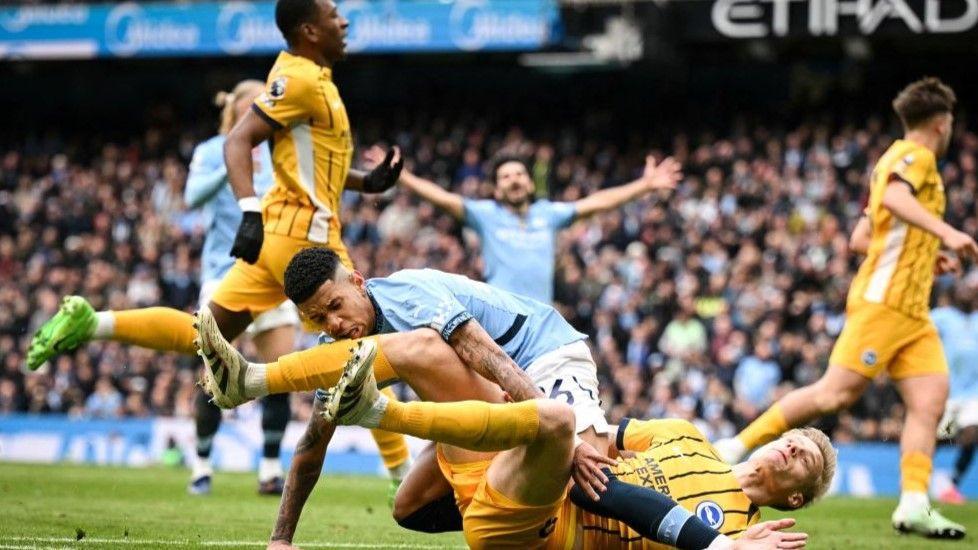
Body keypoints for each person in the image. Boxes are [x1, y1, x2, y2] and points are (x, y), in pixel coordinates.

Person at [24, 0, 411, 498]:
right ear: (310, 30)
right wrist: (247, 209)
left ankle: (92, 322)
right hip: (305, 239)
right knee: (367, 341)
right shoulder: (298, 79)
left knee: (204, 335)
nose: (345, 21)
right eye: (334, 15)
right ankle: (403, 477)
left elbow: (311, 167)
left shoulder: (315, 79)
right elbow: (238, 140)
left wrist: (365, 181)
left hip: (279, 237)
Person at [714, 77, 977, 538]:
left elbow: (861, 238)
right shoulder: (915, 157)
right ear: (942, 123)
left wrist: (924, 255)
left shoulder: (895, 161)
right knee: (834, 394)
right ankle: (734, 446)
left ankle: (914, 503)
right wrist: (947, 233)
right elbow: (894, 198)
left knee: (930, 401)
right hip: (885, 302)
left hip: (912, 312)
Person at [321, 339, 829, 549]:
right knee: (425, 350)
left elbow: (592, 481)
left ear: (794, 499)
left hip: (546, 529)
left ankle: (378, 412)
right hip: (523, 484)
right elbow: (600, 434)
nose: (791, 446)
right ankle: (315, 357)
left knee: (555, 417)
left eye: (804, 456)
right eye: (793, 438)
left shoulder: (743, 535)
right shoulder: (686, 435)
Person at [183, 79, 298, 495]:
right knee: (214, 373)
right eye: (253, 106)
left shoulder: (279, 151)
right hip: (223, 273)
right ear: (234, 111)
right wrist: (234, 162)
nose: (262, 112)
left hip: (271, 275)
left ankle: (269, 469)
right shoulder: (211, 151)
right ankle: (201, 464)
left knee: (282, 372)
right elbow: (192, 197)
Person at [379, 146, 681, 303]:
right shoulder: (485, 214)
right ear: (496, 189)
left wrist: (643, 186)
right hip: (501, 319)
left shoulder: (547, 214)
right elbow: (442, 198)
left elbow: (598, 202)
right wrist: (402, 177)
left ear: (530, 183)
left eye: (519, 174)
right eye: (506, 177)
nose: (514, 180)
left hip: (541, 320)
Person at [931, 281, 978, 504]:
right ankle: (915, 476)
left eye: (970, 290)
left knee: (972, 433)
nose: (967, 292)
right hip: (947, 393)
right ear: (953, 295)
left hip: (973, 395)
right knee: (938, 437)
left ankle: (952, 484)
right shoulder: (942, 317)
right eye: (962, 289)